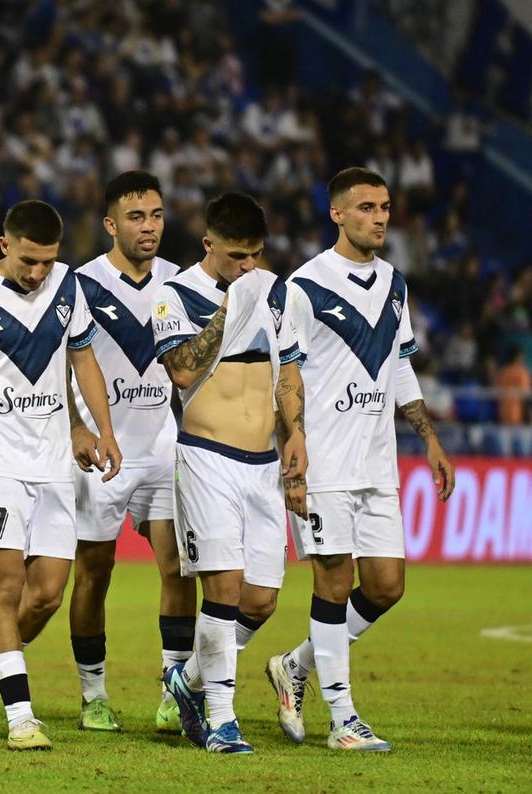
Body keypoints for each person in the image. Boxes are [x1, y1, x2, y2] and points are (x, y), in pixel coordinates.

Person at [265, 167, 456, 751]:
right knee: (334, 577)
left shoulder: (395, 283)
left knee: (386, 585)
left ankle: (295, 665)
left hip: (376, 460)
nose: (380, 217)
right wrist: (290, 452)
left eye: (386, 207)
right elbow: (286, 374)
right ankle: (342, 719)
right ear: (338, 214)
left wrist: (427, 436)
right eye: (368, 207)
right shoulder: (305, 286)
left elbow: (399, 364)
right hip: (323, 461)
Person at [0, 200, 122, 751]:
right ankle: (20, 717)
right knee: (5, 586)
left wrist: (101, 429)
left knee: (47, 596)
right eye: (28, 261)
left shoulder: (68, 287)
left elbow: (83, 359)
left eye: (47, 262)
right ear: (4, 244)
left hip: (56, 462)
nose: (37, 273)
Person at [151, 192, 306, 754]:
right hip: (206, 457)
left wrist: (297, 438)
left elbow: (287, 373)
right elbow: (183, 372)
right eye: (238, 256)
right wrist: (233, 302)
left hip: (263, 463)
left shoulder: (277, 294)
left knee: (260, 599)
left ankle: (188, 679)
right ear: (208, 244)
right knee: (222, 588)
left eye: (257, 256)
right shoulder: (175, 295)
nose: (249, 267)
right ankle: (221, 717)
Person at [65, 171, 194, 733]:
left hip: (163, 444)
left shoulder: (181, 282)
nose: (150, 227)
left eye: (158, 215)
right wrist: (75, 425)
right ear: (111, 225)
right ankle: (93, 693)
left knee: (179, 567)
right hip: (102, 451)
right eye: (137, 218)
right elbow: (55, 365)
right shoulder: (80, 285)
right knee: (95, 571)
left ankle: (174, 689)